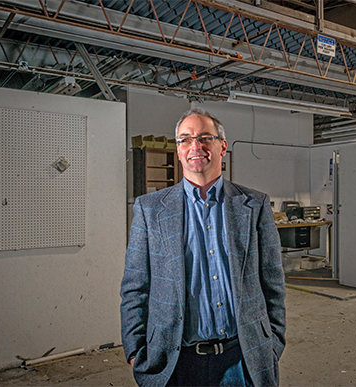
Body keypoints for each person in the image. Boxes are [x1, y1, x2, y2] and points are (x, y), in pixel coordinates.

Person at [120, 107, 286, 386]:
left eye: (205, 138)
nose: (195, 146)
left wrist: (273, 344)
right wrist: (136, 352)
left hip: (242, 359)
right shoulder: (150, 210)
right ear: (178, 149)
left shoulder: (254, 205)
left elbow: (272, 281)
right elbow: (135, 286)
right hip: (174, 361)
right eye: (185, 139)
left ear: (222, 147)